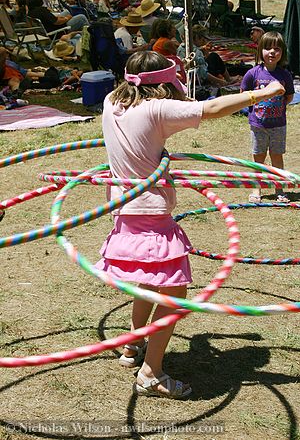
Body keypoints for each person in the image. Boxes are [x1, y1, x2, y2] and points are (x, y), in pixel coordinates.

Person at [96, 50, 285, 399]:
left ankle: (131, 347)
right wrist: (265, 92)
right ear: (164, 81)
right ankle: (151, 374)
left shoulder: (111, 101)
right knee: (174, 290)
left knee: (146, 282)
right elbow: (211, 109)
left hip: (123, 208)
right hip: (151, 212)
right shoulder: (157, 109)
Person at [240, 32, 294, 204]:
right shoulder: (252, 74)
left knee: (277, 156)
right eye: (267, 48)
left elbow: (290, 96)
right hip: (258, 125)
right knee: (259, 157)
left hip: (278, 125)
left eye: (276, 49)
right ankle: (257, 188)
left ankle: (279, 188)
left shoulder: (285, 75)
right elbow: (244, 94)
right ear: (260, 51)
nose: (272, 52)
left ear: (282, 53)